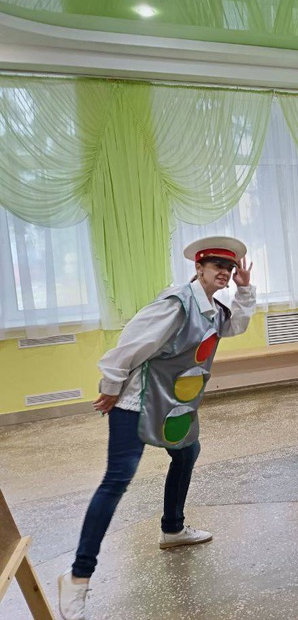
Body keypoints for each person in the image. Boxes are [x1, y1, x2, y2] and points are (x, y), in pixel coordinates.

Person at [58, 237, 256, 620]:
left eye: (229, 268)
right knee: (117, 480)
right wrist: (111, 386)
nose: (225, 272)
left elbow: (235, 326)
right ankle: (78, 577)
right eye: (217, 265)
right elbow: (131, 343)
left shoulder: (213, 309)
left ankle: (172, 529)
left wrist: (245, 290)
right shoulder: (176, 303)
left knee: (187, 451)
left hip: (173, 404)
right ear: (198, 268)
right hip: (138, 400)